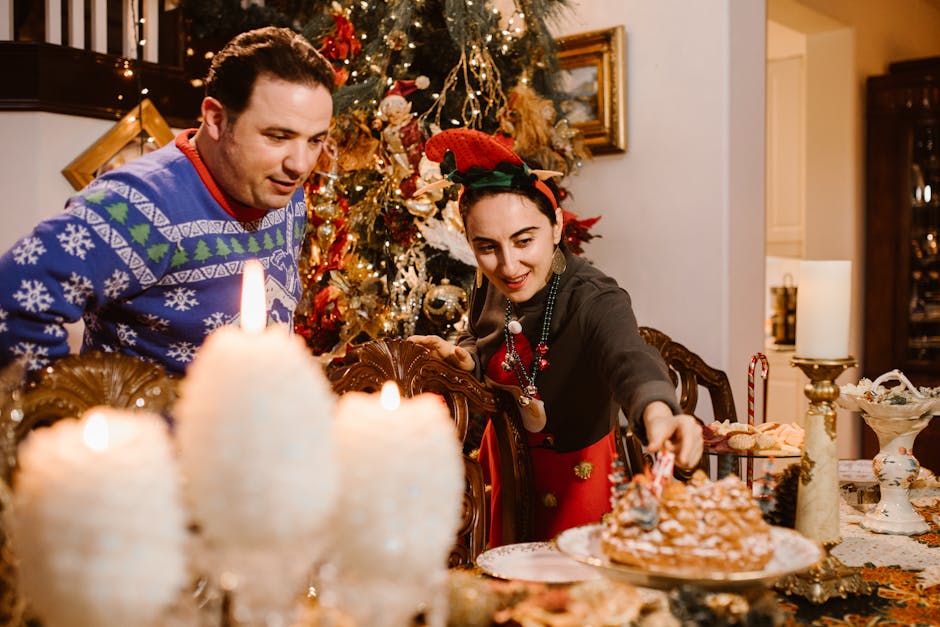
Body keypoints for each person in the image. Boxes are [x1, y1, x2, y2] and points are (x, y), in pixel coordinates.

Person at [410, 128, 704, 546]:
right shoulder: (488, 282)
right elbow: (483, 337)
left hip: (577, 479)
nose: (509, 265)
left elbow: (629, 357)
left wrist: (659, 412)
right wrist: (465, 357)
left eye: (524, 240)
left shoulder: (593, 297)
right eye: (486, 246)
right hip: (506, 471)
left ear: (556, 226)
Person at [0, 27, 335, 375]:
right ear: (216, 119)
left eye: (315, 141)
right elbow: (12, 298)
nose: (300, 164)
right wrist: (61, 407)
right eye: (278, 137)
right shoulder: (138, 206)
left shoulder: (283, 188)